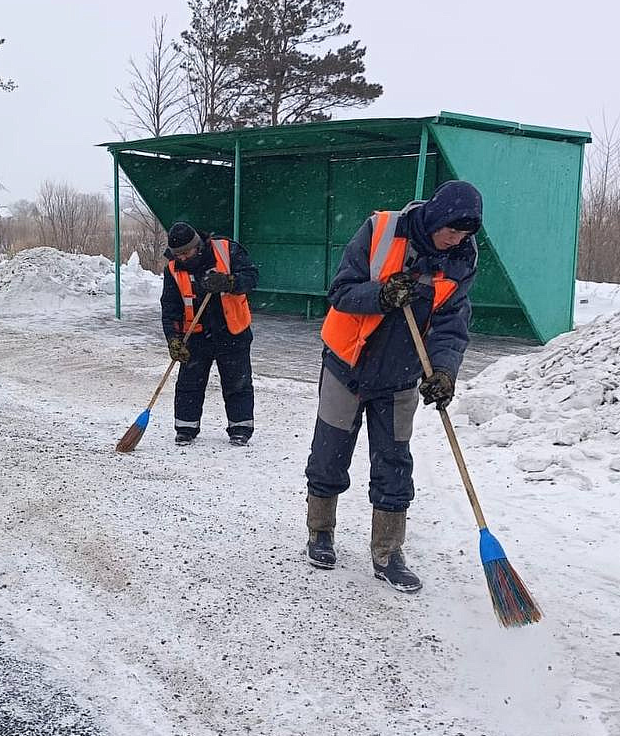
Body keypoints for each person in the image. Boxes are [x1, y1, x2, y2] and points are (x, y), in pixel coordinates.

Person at [302, 180, 483, 592]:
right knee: (329, 453)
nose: (455, 240)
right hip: (346, 363)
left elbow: (452, 325)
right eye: (451, 230)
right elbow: (341, 292)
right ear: (435, 217)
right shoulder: (381, 230)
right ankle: (320, 531)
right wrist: (381, 295)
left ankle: (387, 550)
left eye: (464, 235)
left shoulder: (460, 261)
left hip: (400, 375)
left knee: (394, 463)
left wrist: (443, 371)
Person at [160, 222, 259, 446]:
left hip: (232, 331)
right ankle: (186, 428)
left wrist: (229, 282)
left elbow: (252, 277)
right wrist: (173, 339)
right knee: (189, 384)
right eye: (178, 254)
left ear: (197, 245)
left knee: (238, 383)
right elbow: (170, 308)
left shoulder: (227, 250)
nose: (183, 258)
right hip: (195, 335)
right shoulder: (173, 269)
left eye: (187, 252)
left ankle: (240, 428)